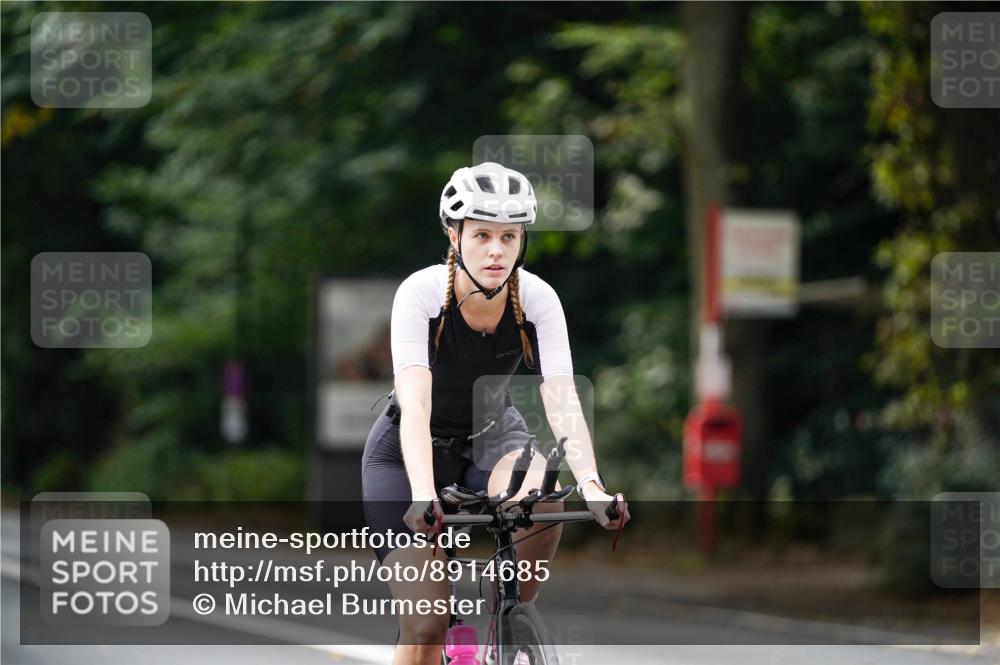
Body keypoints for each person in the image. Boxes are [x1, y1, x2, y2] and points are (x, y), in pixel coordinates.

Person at [361, 162, 630, 665]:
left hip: (492, 437)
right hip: (407, 457)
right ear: (453, 233)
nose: (495, 250)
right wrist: (424, 496)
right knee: (426, 624)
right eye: (481, 234)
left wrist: (592, 485)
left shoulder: (537, 298)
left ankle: (509, 617)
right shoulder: (419, 295)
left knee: (545, 494)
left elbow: (560, 395)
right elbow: (415, 402)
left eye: (509, 236)